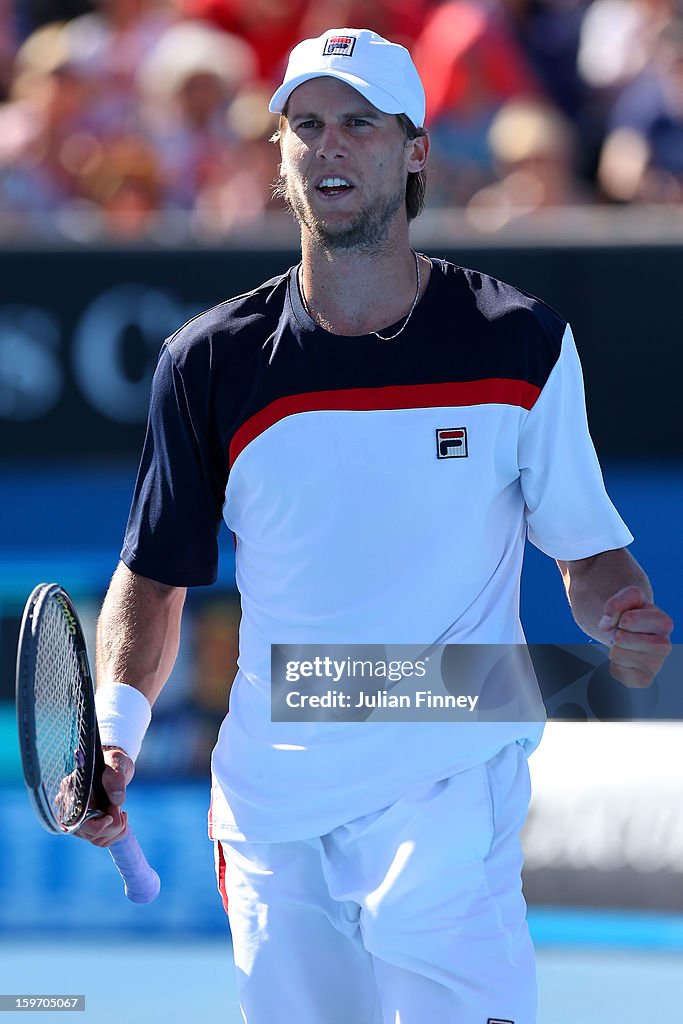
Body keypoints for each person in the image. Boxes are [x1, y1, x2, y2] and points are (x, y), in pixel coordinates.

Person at [79, 27, 674, 1024]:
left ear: (414, 152)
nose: (329, 146)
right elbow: (153, 577)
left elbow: (585, 549)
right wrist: (118, 735)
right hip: (274, 801)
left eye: (358, 122)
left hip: (451, 767)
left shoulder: (518, 340)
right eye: (305, 126)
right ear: (279, 157)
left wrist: (619, 603)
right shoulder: (208, 361)